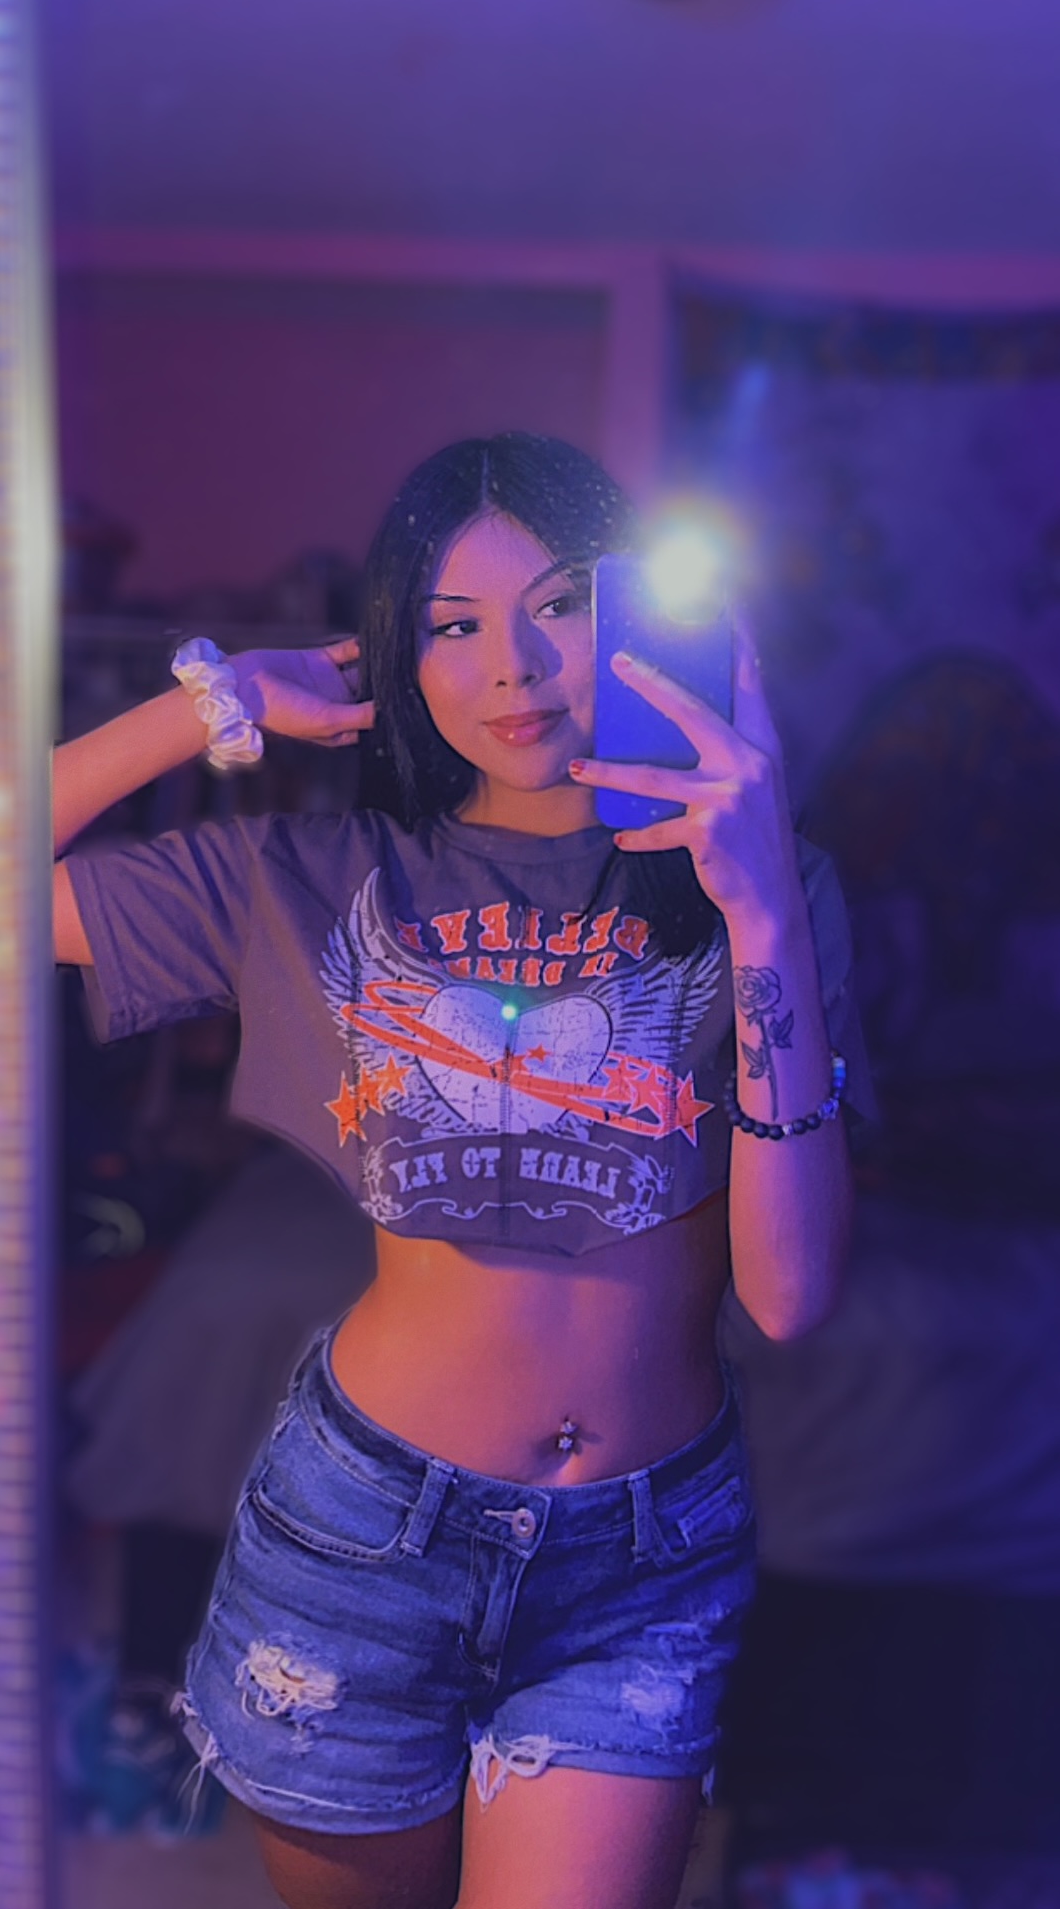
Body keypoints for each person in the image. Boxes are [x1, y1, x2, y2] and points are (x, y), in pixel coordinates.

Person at [53, 434, 870, 1909]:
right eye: (451, 623)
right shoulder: (317, 876)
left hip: (639, 1567)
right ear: (400, 655)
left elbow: (791, 1294)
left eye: (560, 604)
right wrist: (214, 703)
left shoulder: (768, 889)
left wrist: (758, 916)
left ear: (634, 614)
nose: (515, 667)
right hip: (360, 1541)